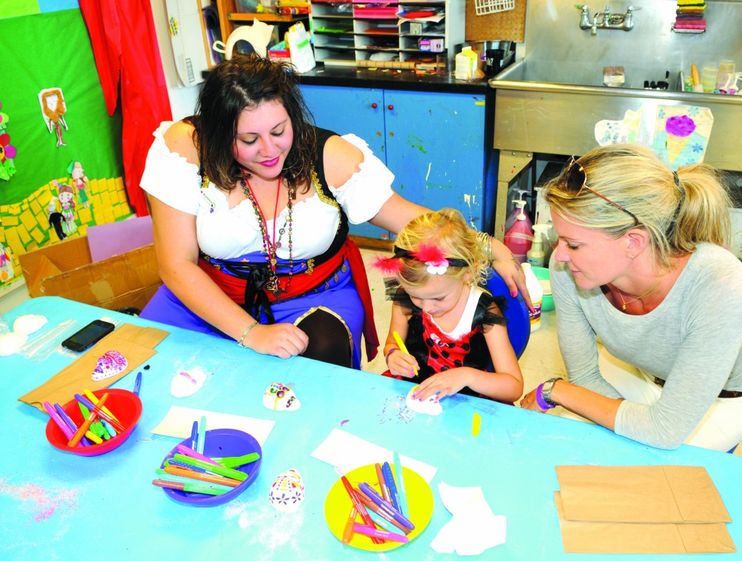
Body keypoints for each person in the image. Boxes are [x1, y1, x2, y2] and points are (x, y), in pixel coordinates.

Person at [139, 54, 526, 369]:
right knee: (157, 371)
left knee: (320, 364)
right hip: (208, 293)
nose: (270, 151)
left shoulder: (330, 155)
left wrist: (488, 245)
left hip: (313, 293)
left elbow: (402, 215)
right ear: (221, 133)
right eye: (249, 139)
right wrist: (250, 332)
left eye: (279, 131)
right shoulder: (185, 149)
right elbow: (176, 265)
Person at [520, 144, 742, 451]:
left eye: (574, 244)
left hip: (717, 404)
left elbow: (665, 430)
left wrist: (555, 390)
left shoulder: (721, 285)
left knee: (642, 483)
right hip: (636, 375)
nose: (559, 256)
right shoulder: (568, 269)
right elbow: (584, 376)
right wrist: (631, 423)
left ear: (633, 242)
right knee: (574, 452)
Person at [376, 209, 523, 404]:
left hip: (469, 397)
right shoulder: (405, 300)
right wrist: (393, 355)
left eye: (439, 298)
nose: (426, 308)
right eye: (416, 297)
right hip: (417, 390)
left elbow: (513, 387)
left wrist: (467, 376)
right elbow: (392, 343)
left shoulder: (484, 312)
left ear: (468, 273)